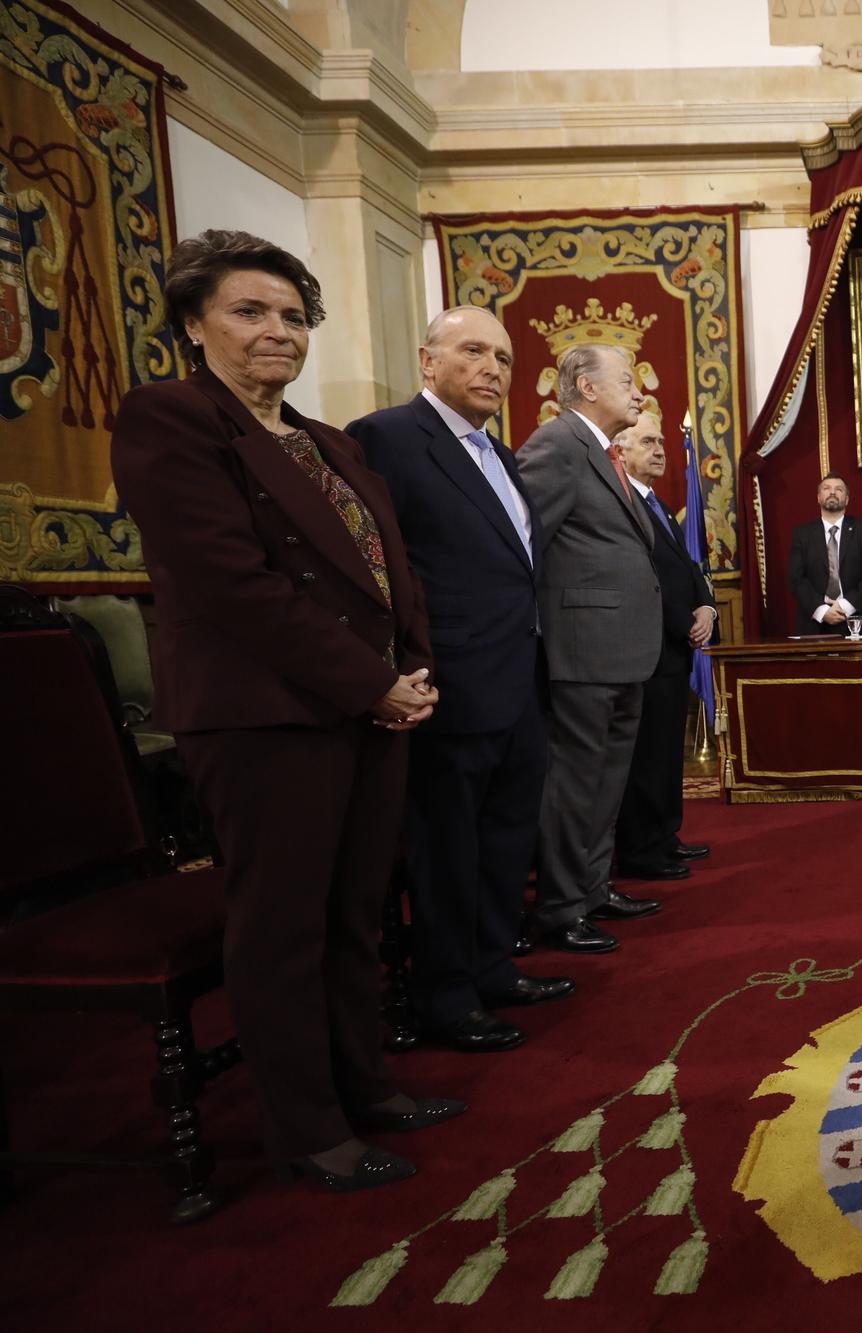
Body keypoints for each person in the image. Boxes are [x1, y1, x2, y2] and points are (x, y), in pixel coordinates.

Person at [110, 229, 459, 1191]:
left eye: (295, 316)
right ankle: (307, 1129)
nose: (279, 332)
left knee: (353, 914)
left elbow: (392, 573)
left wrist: (412, 670)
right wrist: (369, 680)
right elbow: (236, 585)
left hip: (368, 709)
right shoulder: (171, 420)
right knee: (283, 925)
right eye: (249, 311)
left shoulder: (326, 443)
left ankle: (364, 1087)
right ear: (194, 323)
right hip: (266, 717)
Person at [347, 306, 574, 1054]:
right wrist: (398, 667)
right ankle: (444, 994)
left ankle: (490, 966)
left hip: (517, 683)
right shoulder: (386, 438)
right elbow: (372, 568)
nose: (492, 369)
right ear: (427, 361)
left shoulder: (500, 456)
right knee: (446, 849)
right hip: (445, 685)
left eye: (503, 358)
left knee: (506, 840)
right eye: (473, 351)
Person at [514, 345, 663, 954]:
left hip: (622, 649)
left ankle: (594, 886)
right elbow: (523, 544)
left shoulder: (601, 454)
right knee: (576, 782)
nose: (638, 392)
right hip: (581, 650)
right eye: (626, 381)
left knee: (608, 780)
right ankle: (560, 906)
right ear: (586, 386)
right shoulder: (556, 445)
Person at [613, 412, 717, 882]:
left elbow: (689, 570)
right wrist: (685, 622)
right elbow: (646, 578)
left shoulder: (656, 502)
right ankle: (640, 849)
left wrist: (708, 609)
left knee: (667, 750)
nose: (660, 449)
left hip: (676, 647)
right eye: (648, 442)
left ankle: (665, 834)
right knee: (645, 755)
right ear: (620, 450)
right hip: (647, 648)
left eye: (661, 442)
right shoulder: (621, 504)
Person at [787, 472, 862, 636]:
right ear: (818, 497)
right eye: (827, 488)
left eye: (839, 489)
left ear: (847, 499)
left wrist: (845, 606)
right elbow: (796, 578)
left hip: (859, 619)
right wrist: (822, 610)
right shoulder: (802, 534)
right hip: (815, 623)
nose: (832, 492)